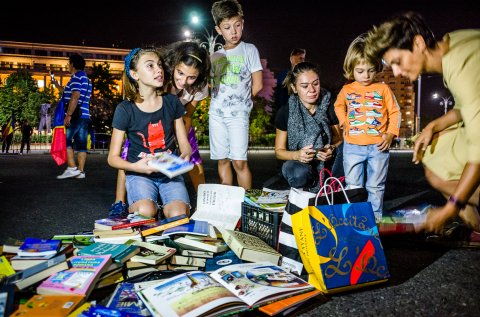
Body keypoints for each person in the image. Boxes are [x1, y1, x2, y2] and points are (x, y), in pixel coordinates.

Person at [365, 12, 480, 233]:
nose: (397, 72)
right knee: (434, 151)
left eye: (397, 62)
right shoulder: (453, 44)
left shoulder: (461, 66)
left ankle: (465, 212)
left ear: (418, 43)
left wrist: (449, 209)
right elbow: (468, 106)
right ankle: (475, 226)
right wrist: (433, 126)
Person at [108, 41, 211, 218]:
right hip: (140, 166)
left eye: (159, 65)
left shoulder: (174, 101)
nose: (158, 69)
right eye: (151, 66)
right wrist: (136, 167)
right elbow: (114, 157)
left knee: (179, 213)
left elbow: (186, 128)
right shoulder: (126, 108)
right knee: (145, 210)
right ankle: (121, 202)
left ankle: (184, 205)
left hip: (168, 162)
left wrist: (185, 153)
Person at [334, 34, 400, 221]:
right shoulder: (347, 90)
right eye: (360, 71)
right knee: (353, 186)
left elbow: (395, 112)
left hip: (379, 147)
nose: (366, 76)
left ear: (377, 68)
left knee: (375, 186)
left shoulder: (383, 89)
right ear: (351, 69)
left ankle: (375, 221)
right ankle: (354, 220)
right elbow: (338, 106)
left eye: (370, 70)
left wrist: (390, 134)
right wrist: (343, 121)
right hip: (352, 146)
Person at [209, 0, 263, 190]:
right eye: (227, 27)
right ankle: (228, 206)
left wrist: (242, 105)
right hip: (216, 114)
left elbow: (257, 85)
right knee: (222, 160)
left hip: (238, 114)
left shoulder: (249, 50)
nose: (233, 31)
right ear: (218, 29)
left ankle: (246, 205)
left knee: (239, 162)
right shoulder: (217, 55)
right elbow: (214, 86)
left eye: (237, 26)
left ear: (243, 24)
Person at [274, 61, 342, 192]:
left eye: (315, 83)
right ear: (294, 88)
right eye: (304, 86)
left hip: (328, 162)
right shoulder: (285, 112)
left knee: (350, 150)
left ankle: (337, 187)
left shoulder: (330, 105)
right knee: (297, 172)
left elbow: (339, 139)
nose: (312, 90)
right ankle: (304, 190)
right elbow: (279, 151)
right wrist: (297, 155)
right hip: (298, 163)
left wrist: (331, 148)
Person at [52, 54, 92, 179]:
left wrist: (68, 115)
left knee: (65, 140)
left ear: (73, 64)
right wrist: (56, 84)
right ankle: (81, 172)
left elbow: (75, 96)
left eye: (68, 63)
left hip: (75, 115)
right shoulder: (86, 80)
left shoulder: (75, 78)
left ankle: (72, 167)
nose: (68, 66)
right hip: (85, 115)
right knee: (81, 145)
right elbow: (67, 92)